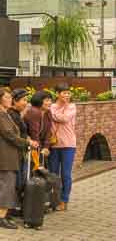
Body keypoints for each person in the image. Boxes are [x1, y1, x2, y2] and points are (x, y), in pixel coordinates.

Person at [0, 88, 38, 229]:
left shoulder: (4, 114)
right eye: (7, 97)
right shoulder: (0, 115)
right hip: (6, 155)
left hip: (8, 154)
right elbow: (9, 134)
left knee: (5, 184)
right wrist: (27, 142)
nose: (10, 99)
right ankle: (1, 218)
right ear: (0, 100)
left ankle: (1, 213)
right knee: (7, 186)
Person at [48, 83, 77, 211]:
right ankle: (54, 200)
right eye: (64, 92)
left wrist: (53, 115)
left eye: (68, 93)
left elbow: (64, 119)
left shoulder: (72, 107)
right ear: (57, 94)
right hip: (54, 145)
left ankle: (64, 200)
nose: (67, 95)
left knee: (65, 174)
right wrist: (54, 114)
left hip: (68, 145)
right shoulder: (52, 106)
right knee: (53, 174)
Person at [24, 91, 54, 157]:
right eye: (47, 101)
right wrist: (40, 149)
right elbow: (34, 132)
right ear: (39, 101)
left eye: (50, 101)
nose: (50, 103)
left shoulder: (48, 112)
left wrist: (46, 147)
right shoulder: (34, 112)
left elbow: (49, 131)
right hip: (29, 145)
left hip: (39, 146)